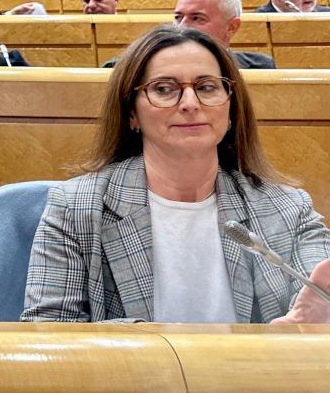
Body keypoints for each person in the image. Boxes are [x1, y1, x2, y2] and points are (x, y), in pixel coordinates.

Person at [23, 24, 330, 323]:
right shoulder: (75, 207)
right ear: (132, 113)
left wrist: (301, 330)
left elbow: (314, 302)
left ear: (230, 108)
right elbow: (49, 333)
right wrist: (159, 344)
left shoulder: (289, 210)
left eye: (206, 87)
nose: (190, 103)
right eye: (163, 89)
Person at [173, 0, 275, 69]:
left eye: (196, 18)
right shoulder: (163, 68)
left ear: (231, 27)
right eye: (178, 17)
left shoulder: (261, 67)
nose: (182, 26)